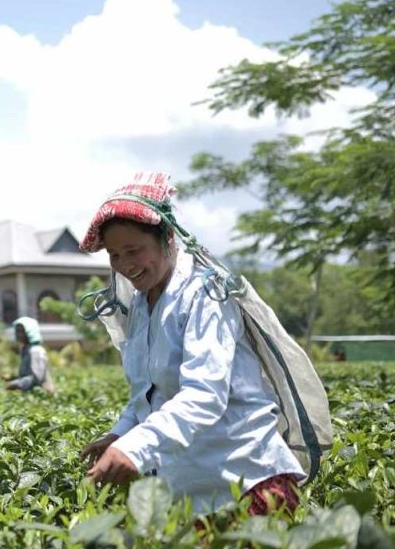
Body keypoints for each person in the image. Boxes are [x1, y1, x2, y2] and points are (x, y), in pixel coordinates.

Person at [78, 172, 305, 517]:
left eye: (133, 250)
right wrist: (121, 434)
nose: (124, 265)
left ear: (167, 237)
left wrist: (136, 449)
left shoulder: (205, 293)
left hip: (248, 483)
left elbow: (204, 396)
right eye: (114, 255)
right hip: (195, 493)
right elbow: (149, 391)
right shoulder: (141, 303)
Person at [4, 317, 55, 393]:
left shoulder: (36, 351)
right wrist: (12, 378)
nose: (19, 335)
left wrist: (16, 383)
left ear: (31, 332)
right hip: (31, 394)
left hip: (41, 395)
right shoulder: (26, 349)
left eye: (22, 332)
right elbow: (27, 375)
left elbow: (37, 378)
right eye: (17, 332)